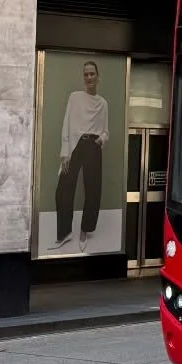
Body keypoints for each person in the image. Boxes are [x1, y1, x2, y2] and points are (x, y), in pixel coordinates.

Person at [55, 61, 109, 251]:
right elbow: (66, 123)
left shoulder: (102, 104)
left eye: (92, 74)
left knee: (93, 189)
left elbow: (105, 131)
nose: (89, 78)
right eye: (85, 74)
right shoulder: (75, 98)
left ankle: (85, 229)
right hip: (75, 145)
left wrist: (100, 140)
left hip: (93, 147)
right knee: (63, 189)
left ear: (97, 76)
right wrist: (65, 150)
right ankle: (64, 232)